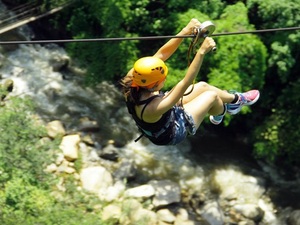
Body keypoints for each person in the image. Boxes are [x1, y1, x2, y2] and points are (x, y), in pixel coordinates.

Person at [120, 18, 260, 146]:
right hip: (172, 131)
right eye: (163, 79)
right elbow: (185, 83)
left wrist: (185, 31)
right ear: (155, 85)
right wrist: (201, 52)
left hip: (165, 115)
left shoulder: (134, 76)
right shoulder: (152, 108)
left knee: (203, 86)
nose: (166, 79)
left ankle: (236, 100)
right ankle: (222, 110)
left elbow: (161, 55)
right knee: (211, 96)